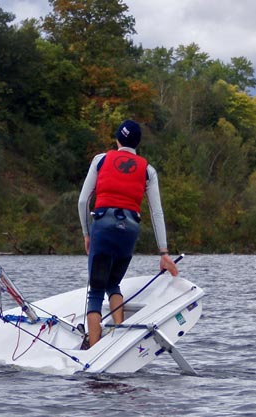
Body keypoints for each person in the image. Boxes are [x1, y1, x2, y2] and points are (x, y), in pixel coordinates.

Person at [77, 120, 179, 349]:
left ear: (117, 140)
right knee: (113, 283)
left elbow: (83, 201)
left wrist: (86, 233)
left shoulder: (101, 160)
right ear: (137, 144)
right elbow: (156, 212)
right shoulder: (148, 170)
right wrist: (163, 252)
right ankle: (120, 340)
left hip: (103, 227)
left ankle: (94, 348)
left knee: (96, 290)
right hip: (129, 230)